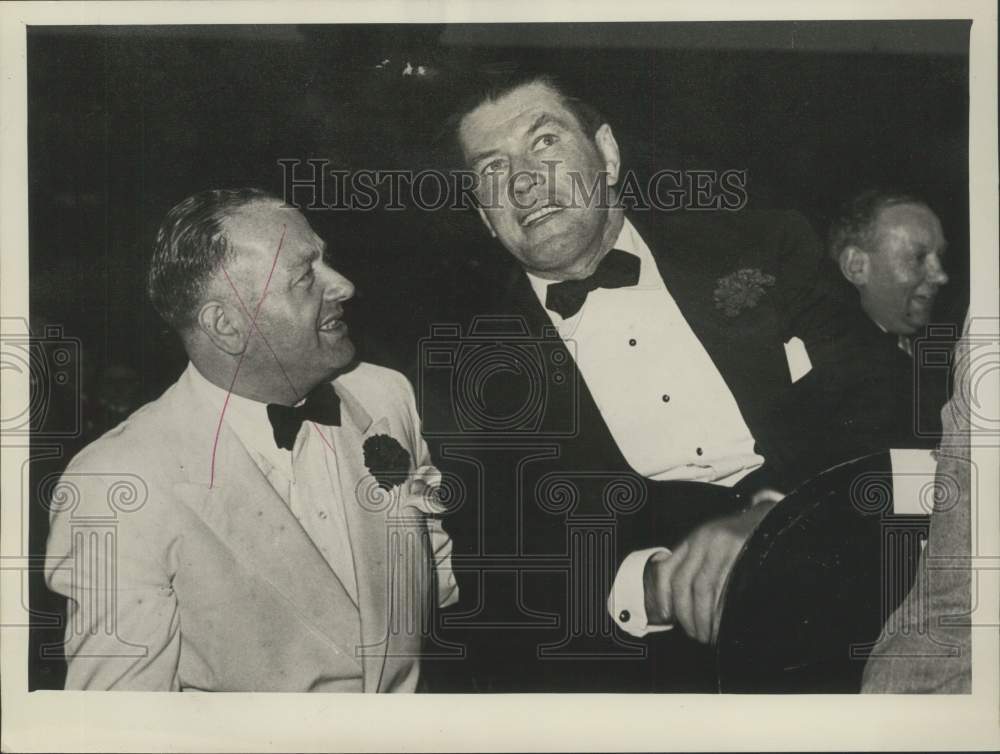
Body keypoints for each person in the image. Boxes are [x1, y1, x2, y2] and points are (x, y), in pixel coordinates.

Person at [421, 69, 848, 691]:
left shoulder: (764, 244)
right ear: (486, 219)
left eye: (544, 142)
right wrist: (650, 588)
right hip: (664, 675)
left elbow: (873, 390)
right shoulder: (470, 369)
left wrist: (775, 512)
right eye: (491, 170)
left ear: (609, 154)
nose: (520, 181)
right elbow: (498, 574)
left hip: (845, 580)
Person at [44, 188, 457, 691]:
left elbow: (436, 578)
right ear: (226, 325)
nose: (344, 286)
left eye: (327, 261)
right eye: (305, 276)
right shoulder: (115, 482)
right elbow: (120, 731)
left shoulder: (385, 395)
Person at [760, 190, 954, 482]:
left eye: (939, 256)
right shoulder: (822, 369)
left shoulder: (943, 351)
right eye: (918, 257)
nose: (940, 275)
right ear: (856, 266)